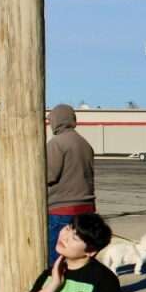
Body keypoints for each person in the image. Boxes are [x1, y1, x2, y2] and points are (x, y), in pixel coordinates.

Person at [46, 103, 96, 263]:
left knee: (58, 258)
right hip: (86, 207)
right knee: (79, 257)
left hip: (62, 208)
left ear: (55, 121)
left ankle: (58, 286)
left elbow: (50, 176)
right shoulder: (85, 143)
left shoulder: (56, 143)